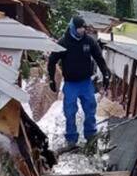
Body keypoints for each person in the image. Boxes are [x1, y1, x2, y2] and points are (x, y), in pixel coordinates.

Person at [47, 16, 112, 145]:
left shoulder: (89, 42)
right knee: (70, 111)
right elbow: (52, 61)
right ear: (72, 28)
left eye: (83, 28)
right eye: (79, 28)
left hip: (86, 82)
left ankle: (91, 135)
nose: (82, 31)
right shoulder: (63, 43)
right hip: (71, 84)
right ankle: (71, 138)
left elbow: (99, 58)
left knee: (90, 109)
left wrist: (105, 73)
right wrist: (51, 79)